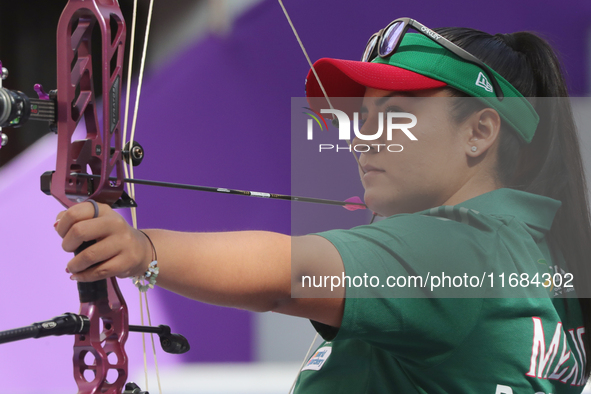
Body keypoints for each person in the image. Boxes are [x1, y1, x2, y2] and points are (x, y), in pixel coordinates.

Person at [55, 18, 591, 393]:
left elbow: (289, 276)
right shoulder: (533, 257)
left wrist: (141, 249)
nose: (362, 137)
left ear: (479, 131)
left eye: (397, 113)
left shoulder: (459, 246)